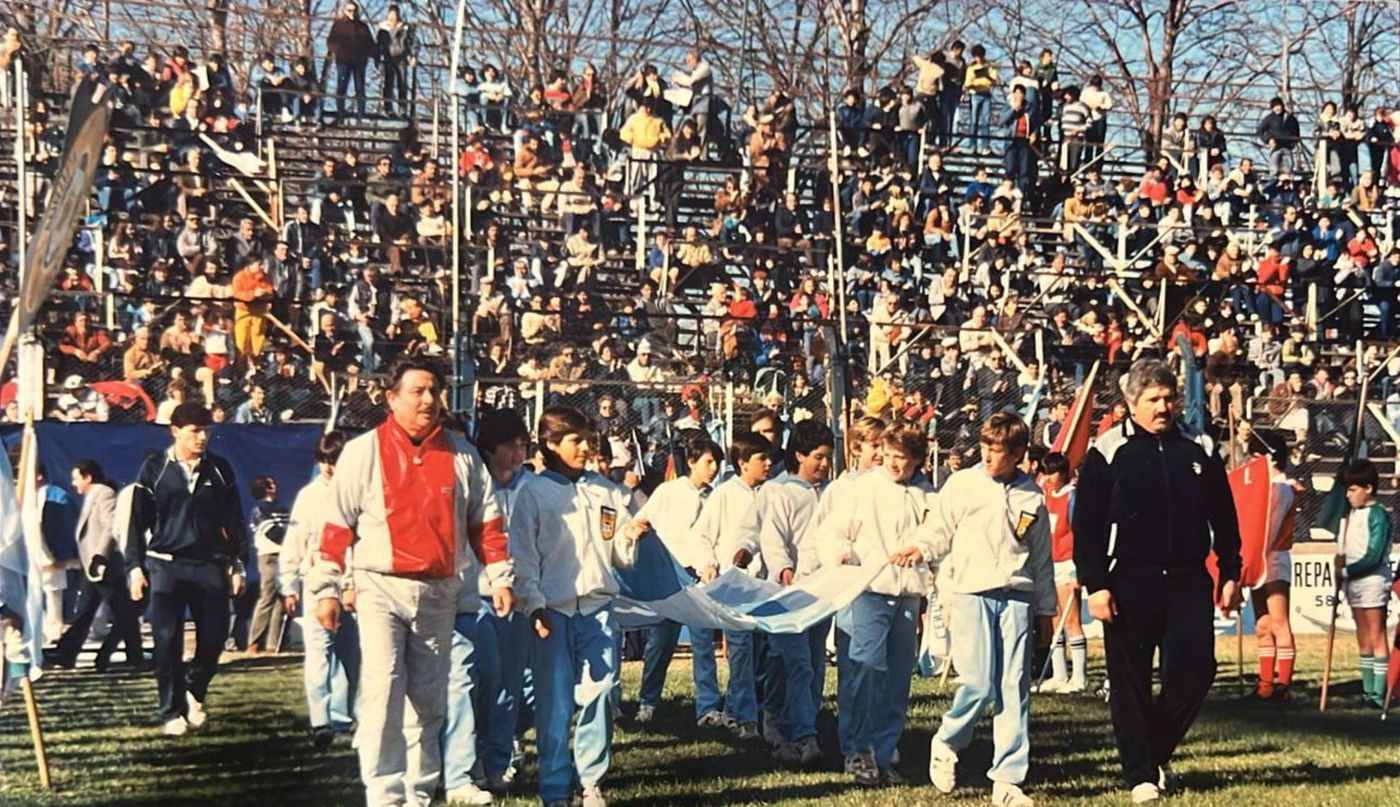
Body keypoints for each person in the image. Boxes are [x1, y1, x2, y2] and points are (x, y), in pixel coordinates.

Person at [308, 358, 514, 807]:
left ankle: (419, 793)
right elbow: (335, 526)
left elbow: (488, 523)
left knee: (429, 699)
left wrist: (499, 578)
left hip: (439, 593)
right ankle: (384, 794)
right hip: (379, 587)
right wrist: (326, 589)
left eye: (434, 391)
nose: (427, 400)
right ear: (391, 398)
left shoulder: (462, 455)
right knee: (383, 688)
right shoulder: (363, 452)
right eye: (417, 391)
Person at [1071, 359, 1242, 803]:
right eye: (1153, 399)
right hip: (1127, 581)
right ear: (1131, 403)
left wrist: (1230, 568)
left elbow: (1223, 513)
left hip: (1188, 579)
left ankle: (1154, 750)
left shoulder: (1199, 446)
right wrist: (1096, 584)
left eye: (1169, 397)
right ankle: (1141, 775)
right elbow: (1085, 525)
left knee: (1195, 673)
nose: (1164, 407)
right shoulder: (1107, 450)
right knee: (1129, 683)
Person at [893, 413, 1053, 807]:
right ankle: (947, 741)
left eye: (996, 451)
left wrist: (1046, 609)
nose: (986, 456)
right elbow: (938, 529)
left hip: (1016, 596)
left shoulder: (1032, 496)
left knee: (1014, 688)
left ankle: (1008, 779)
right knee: (979, 683)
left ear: (1017, 453)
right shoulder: (962, 485)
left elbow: (1041, 560)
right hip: (969, 592)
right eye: (983, 447)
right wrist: (921, 548)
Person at [510, 405, 645, 807]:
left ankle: (590, 781)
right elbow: (523, 557)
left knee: (603, 691)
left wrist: (631, 536)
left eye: (589, 439)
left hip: (598, 609)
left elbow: (619, 554)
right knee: (554, 702)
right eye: (575, 440)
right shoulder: (532, 493)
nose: (586, 447)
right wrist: (533, 605)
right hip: (553, 612)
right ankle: (554, 789)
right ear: (550, 445)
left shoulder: (606, 491)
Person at [816, 424, 935, 787]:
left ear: (917, 459)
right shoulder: (863, 488)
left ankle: (884, 753)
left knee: (897, 678)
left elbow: (936, 536)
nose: (896, 464)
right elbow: (832, 531)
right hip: (868, 590)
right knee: (863, 672)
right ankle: (857, 749)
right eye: (892, 456)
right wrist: (843, 557)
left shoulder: (927, 493)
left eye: (905, 458)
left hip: (908, 593)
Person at [126, 402, 249, 736]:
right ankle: (171, 711)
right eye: (195, 430)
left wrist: (239, 564)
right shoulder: (154, 469)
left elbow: (234, 521)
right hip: (166, 565)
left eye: (207, 430)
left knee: (215, 636)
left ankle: (194, 690)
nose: (203, 437)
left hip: (210, 565)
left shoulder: (220, 469)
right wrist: (135, 568)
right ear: (175, 431)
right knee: (167, 640)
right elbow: (136, 524)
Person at [441, 407, 534, 801]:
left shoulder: (532, 487)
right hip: (475, 598)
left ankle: (497, 764)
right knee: (475, 682)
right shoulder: (471, 482)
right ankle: (468, 762)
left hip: (518, 602)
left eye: (523, 446)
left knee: (509, 687)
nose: (517, 454)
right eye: (510, 446)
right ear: (490, 447)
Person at [751, 420, 834, 766]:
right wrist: (784, 569)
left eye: (828, 458)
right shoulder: (780, 491)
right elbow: (771, 537)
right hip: (787, 592)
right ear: (799, 454)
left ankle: (800, 722)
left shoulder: (829, 492)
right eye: (818, 457)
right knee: (792, 662)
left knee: (813, 663)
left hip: (822, 591)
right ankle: (796, 732)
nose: (824, 465)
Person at [632, 434, 725, 726]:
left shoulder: (715, 497)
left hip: (699, 576)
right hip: (670, 574)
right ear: (693, 462)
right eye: (709, 462)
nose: (714, 468)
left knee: (702, 641)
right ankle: (648, 701)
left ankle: (707, 707)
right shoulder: (668, 492)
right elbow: (642, 521)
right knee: (661, 642)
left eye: (718, 463)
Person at [691, 430, 773, 740]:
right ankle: (745, 718)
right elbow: (702, 536)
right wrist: (709, 563)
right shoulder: (725, 495)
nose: (767, 464)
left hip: (766, 585)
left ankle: (758, 710)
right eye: (760, 458)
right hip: (735, 585)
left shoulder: (771, 493)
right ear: (742, 463)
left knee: (762, 653)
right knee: (739, 652)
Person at [280, 430, 359, 749]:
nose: (328, 467)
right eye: (324, 460)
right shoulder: (309, 496)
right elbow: (294, 543)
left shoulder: (358, 493)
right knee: (318, 656)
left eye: (334, 460)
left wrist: (354, 584)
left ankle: (342, 718)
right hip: (316, 584)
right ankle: (320, 721)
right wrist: (288, 584)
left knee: (350, 658)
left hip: (352, 588)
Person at [52, 460, 144, 670]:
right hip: (92, 569)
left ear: (88, 477)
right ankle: (67, 653)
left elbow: (110, 527)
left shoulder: (103, 494)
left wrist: (100, 557)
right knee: (87, 612)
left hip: (104, 568)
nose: (74, 483)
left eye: (76, 478)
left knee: (121, 613)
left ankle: (133, 656)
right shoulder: (91, 496)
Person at [1336, 458, 1392, 709]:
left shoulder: (1378, 514)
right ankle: (1368, 691)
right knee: (1363, 639)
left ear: (1368, 488)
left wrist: (1347, 571)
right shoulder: (1350, 515)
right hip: (1353, 583)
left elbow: (1374, 554)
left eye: (1353, 489)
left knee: (1376, 635)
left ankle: (1380, 694)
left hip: (1371, 581)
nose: (1348, 495)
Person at [1038, 451, 1087, 694]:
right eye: (1045, 473)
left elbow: (1080, 532)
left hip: (1068, 563)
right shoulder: (1045, 495)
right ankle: (1059, 674)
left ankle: (1078, 677)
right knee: (1053, 619)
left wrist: (1080, 567)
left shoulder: (1072, 496)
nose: (1047, 478)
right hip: (1050, 563)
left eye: (1052, 473)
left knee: (1071, 619)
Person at [1252, 449, 1298, 702]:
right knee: (1262, 624)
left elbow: (1269, 528)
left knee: (1279, 622)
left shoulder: (1281, 489)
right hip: (1259, 561)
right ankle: (1265, 684)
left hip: (1275, 559)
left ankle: (1283, 684)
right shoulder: (1263, 488)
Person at [246, 474, 290, 653]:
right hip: (269, 556)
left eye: (272, 483)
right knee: (267, 596)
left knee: (282, 598)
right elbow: (271, 531)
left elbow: (291, 528)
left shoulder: (282, 508)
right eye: (267, 484)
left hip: (285, 555)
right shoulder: (259, 510)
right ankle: (254, 642)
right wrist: (288, 540)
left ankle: (273, 644)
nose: (272, 486)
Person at [327, 1, 377, 120]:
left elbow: (370, 43)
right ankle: (340, 113)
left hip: (359, 61)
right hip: (343, 61)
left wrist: (368, 53)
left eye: (354, 10)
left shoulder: (363, 27)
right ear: (344, 11)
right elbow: (330, 42)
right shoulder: (338, 25)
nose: (352, 13)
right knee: (341, 87)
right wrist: (338, 51)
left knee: (360, 88)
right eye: (349, 10)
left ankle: (361, 114)